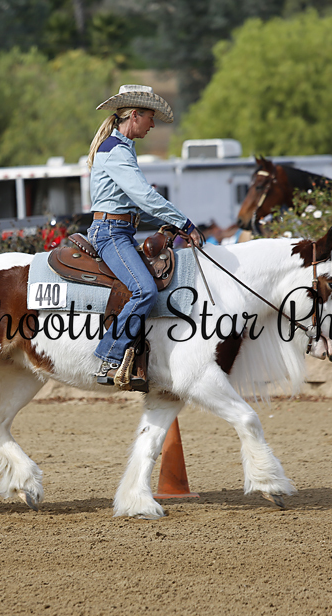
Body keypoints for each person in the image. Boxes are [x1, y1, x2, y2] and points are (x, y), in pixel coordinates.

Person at [86, 84, 203, 388]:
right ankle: (109, 356)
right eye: (151, 118)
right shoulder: (115, 151)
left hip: (119, 229)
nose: (153, 125)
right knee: (145, 291)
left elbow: (135, 205)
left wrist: (171, 222)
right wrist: (184, 223)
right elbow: (145, 197)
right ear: (135, 115)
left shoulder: (122, 148)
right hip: (110, 234)